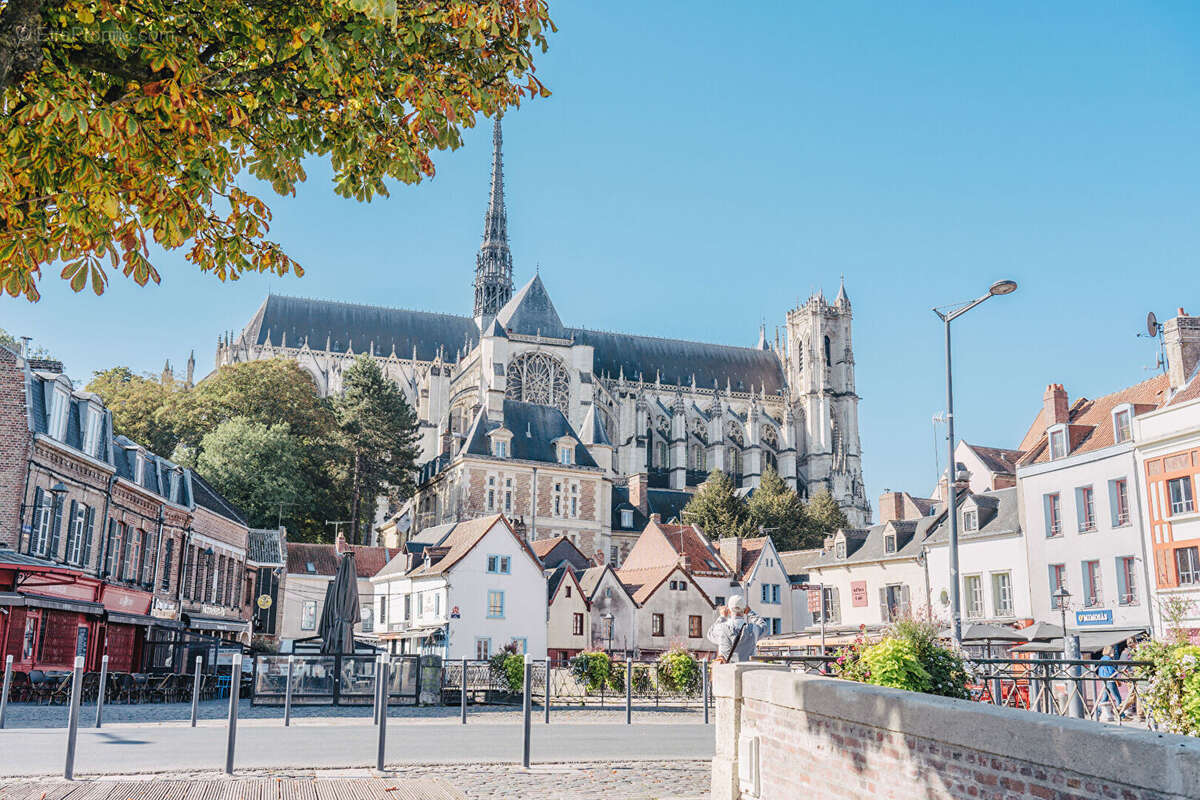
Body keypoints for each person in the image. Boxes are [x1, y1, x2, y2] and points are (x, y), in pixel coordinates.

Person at [706, 594, 768, 663]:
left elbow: (710, 634)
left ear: (729, 611)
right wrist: (750, 613)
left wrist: (722, 617)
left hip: (727, 670)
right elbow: (764, 626)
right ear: (745, 610)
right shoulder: (753, 629)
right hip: (748, 671)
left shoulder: (721, 628)